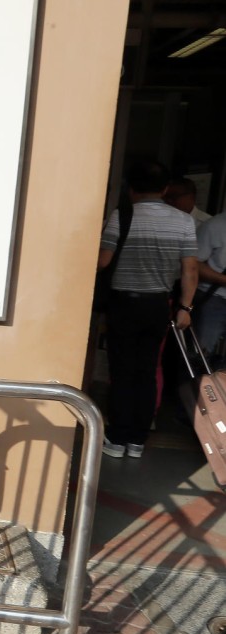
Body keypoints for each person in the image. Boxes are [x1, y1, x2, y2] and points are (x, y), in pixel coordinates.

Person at [98, 159, 197, 459]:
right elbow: (190, 270)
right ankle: (138, 441)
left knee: (122, 371)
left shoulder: (122, 216)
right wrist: (185, 308)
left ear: (130, 188)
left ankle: (116, 438)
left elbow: (102, 261)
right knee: (146, 370)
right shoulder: (184, 221)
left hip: (124, 305)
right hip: (159, 305)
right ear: (165, 188)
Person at [193, 210, 226, 366]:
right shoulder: (215, 225)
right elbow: (194, 264)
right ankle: (196, 390)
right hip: (214, 298)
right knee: (201, 356)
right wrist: (223, 279)